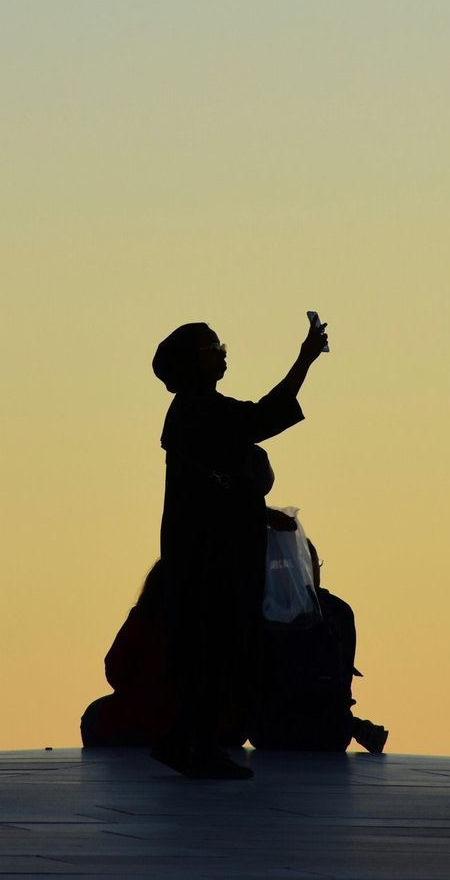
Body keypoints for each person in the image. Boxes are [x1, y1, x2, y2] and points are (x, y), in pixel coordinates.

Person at [149, 317, 328, 779]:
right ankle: (201, 747)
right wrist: (304, 360)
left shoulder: (192, 409)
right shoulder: (202, 410)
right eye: (215, 347)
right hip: (215, 554)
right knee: (220, 643)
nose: (224, 352)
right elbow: (264, 416)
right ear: (194, 362)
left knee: (201, 643)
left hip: (199, 549)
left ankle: (181, 739)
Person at [79, 561, 245, 749]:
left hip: (140, 718)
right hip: (212, 724)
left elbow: (115, 668)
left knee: (93, 713)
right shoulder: (219, 622)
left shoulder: (144, 617)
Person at [249, 540, 389, 754]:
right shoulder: (338, 611)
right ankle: (354, 725)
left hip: (271, 731)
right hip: (330, 733)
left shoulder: (261, 610)